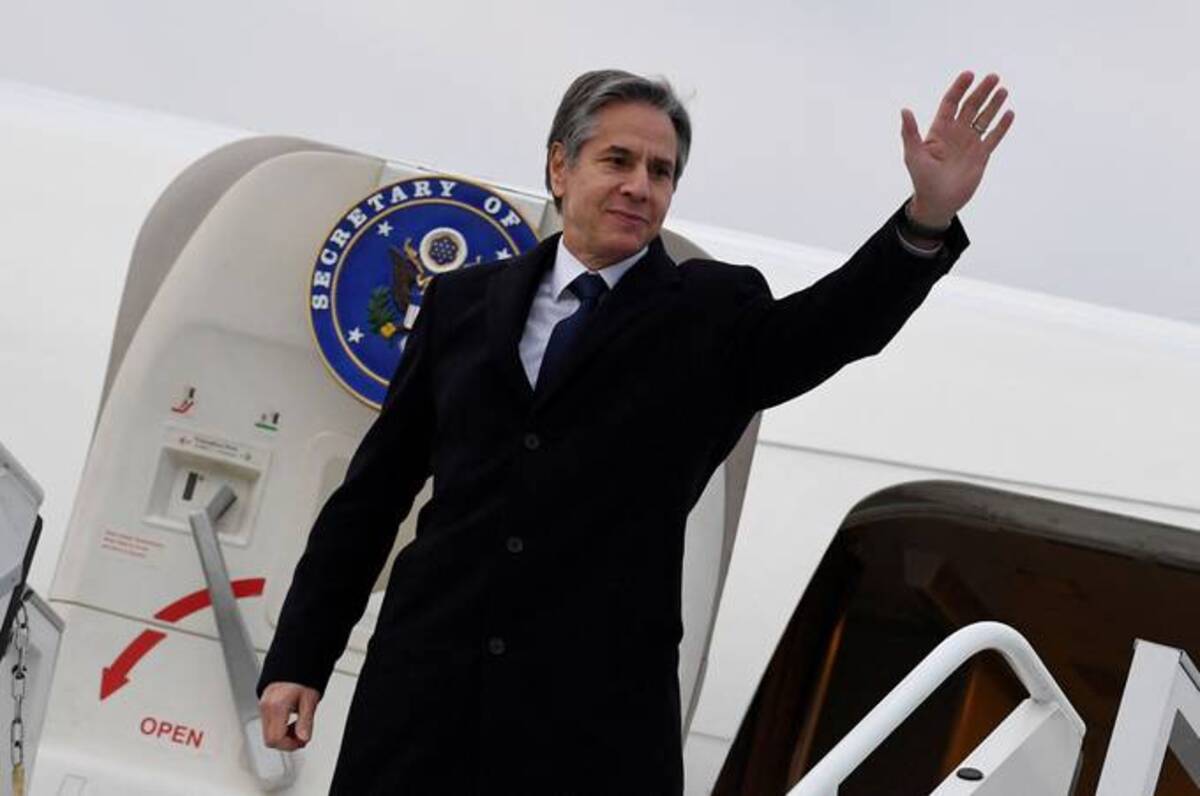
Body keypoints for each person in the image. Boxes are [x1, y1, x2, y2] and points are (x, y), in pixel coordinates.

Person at [257, 68, 1013, 793]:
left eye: (661, 171)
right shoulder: (462, 304)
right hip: (421, 710)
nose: (640, 186)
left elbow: (833, 327)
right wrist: (300, 657)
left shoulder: (710, 313)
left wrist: (925, 220)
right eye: (617, 160)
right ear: (560, 167)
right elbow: (371, 498)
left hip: (591, 734)